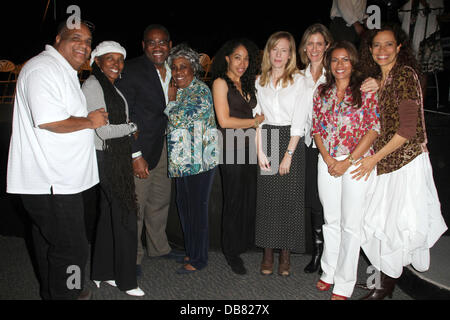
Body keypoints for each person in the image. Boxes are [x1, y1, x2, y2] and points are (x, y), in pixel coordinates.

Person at [6, 20, 108, 300]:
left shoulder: (60, 69)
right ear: (58, 39)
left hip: (57, 182)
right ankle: (69, 294)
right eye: (76, 38)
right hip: (52, 183)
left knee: (49, 244)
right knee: (71, 248)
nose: (84, 46)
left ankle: (54, 293)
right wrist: (90, 120)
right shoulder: (43, 68)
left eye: (88, 42)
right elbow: (50, 121)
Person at [355, 24, 448, 300]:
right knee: (380, 225)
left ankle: (385, 289)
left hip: (405, 164)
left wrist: (373, 160)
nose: (382, 50)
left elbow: (407, 130)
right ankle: (380, 282)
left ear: (399, 48)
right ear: (370, 51)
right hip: (386, 163)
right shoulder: (383, 78)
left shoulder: (405, 75)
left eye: (388, 44)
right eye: (376, 45)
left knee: (394, 227)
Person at [312, 41, 380, 300]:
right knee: (331, 220)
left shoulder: (365, 90)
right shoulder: (321, 91)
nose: (339, 65)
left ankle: (344, 283)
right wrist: (329, 158)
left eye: (345, 60)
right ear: (329, 64)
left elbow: (374, 129)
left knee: (351, 225)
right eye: (335, 60)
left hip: (357, 163)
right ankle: (328, 272)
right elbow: (317, 129)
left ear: (353, 62)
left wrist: (348, 160)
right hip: (327, 160)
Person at [116, 25, 184, 275]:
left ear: (170, 44)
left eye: (162, 42)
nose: (158, 47)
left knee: (160, 201)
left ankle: (159, 247)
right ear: (143, 45)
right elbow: (125, 115)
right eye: (152, 43)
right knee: (136, 206)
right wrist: (135, 154)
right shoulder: (131, 70)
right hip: (141, 149)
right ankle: (131, 257)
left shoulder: (174, 70)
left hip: (165, 146)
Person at [81, 41, 144, 297]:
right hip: (106, 158)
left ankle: (102, 273)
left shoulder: (109, 86)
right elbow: (103, 130)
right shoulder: (93, 85)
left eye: (120, 59)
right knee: (126, 217)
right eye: (110, 59)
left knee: (108, 216)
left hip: (111, 157)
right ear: (97, 61)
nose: (117, 64)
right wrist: (131, 127)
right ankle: (127, 280)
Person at [254, 31, 307, 277]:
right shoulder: (259, 81)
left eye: (284, 50)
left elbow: (299, 120)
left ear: (290, 54)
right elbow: (257, 119)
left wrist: (288, 155)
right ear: (268, 52)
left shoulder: (299, 80)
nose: (278, 54)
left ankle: (285, 255)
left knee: (288, 200)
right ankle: (267, 253)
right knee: (267, 200)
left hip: (291, 140)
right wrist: (259, 151)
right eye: (274, 49)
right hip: (266, 139)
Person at [210, 39, 264, 275]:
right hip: (230, 147)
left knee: (246, 198)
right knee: (232, 201)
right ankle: (231, 252)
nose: (242, 63)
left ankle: (242, 244)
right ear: (227, 59)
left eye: (246, 58)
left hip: (250, 148)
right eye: (237, 57)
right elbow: (224, 121)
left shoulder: (249, 83)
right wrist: (254, 122)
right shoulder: (221, 82)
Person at [165, 44, 219, 274]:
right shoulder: (180, 90)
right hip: (180, 161)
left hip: (200, 162)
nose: (178, 72)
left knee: (197, 209)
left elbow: (177, 119)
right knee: (184, 208)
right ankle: (192, 250)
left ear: (193, 68)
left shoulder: (200, 91)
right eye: (175, 67)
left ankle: (199, 259)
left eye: (183, 67)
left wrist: (170, 100)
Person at [297, 23, 333, 274]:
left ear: (327, 46)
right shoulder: (298, 76)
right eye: (310, 43)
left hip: (332, 147)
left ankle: (332, 254)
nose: (314, 48)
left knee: (331, 201)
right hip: (307, 145)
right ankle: (318, 253)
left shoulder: (335, 73)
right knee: (314, 199)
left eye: (319, 43)